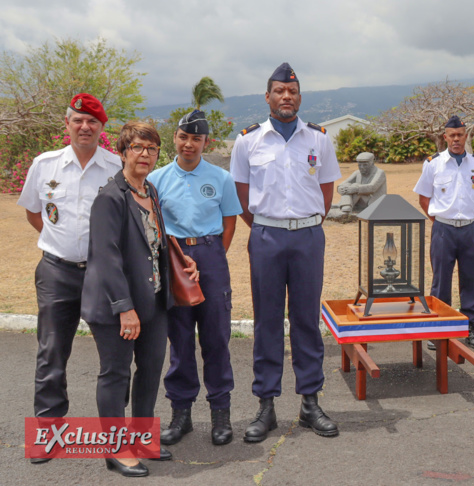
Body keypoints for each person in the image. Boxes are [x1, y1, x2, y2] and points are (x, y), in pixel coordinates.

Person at [230, 62, 342, 441]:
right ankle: (266, 405)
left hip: (308, 237)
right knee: (267, 321)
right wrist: (268, 226)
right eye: (279, 91)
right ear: (267, 97)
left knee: (307, 320)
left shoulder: (319, 139)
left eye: (292, 91)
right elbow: (242, 197)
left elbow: (326, 193)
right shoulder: (248, 141)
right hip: (267, 238)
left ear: (299, 97)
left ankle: (310, 403)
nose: (286, 97)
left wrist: (305, 222)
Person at [81, 121, 199, 477]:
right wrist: (125, 309)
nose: (145, 154)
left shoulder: (150, 191)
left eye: (151, 148)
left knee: (149, 373)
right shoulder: (109, 198)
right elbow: (106, 258)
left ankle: (143, 440)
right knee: (115, 376)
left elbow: (152, 238)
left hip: (155, 302)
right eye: (137, 147)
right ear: (122, 152)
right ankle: (116, 451)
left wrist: (178, 255)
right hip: (117, 308)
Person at [17, 94, 122, 464]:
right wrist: (60, 244)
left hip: (103, 274)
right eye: (78, 120)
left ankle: (117, 439)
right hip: (57, 272)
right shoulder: (44, 165)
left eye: (92, 122)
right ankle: (48, 433)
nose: (84, 127)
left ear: (101, 128)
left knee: (114, 357)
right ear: (67, 124)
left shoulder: (115, 168)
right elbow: (36, 214)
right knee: (51, 353)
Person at [148, 110, 243, 446]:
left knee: (216, 337)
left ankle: (221, 413)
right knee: (180, 338)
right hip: (173, 259)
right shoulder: (156, 180)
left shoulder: (221, 178)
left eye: (196, 139)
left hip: (210, 256)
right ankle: (181, 414)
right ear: (174, 138)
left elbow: (229, 221)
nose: (189, 144)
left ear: (206, 142)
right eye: (183, 137)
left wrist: (213, 255)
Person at [414, 115, 474, 351]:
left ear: (466, 136)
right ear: (445, 137)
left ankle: (470, 327)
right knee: (440, 280)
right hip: (443, 229)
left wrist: (467, 217)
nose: (456, 139)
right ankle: (439, 329)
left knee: (471, 279)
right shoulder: (433, 164)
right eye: (452, 135)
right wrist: (440, 220)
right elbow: (424, 198)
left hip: (469, 229)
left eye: (460, 135)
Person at [328, 151, 386, 219]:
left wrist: (356, 189)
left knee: (355, 186)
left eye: (365, 165)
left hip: (373, 202)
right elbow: (342, 184)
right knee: (348, 185)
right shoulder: (357, 173)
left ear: (372, 163)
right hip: (359, 201)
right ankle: (346, 206)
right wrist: (342, 188)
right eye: (359, 165)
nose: (361, 167)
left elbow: (372, 188)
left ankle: (345, 205)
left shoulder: (380, 173)